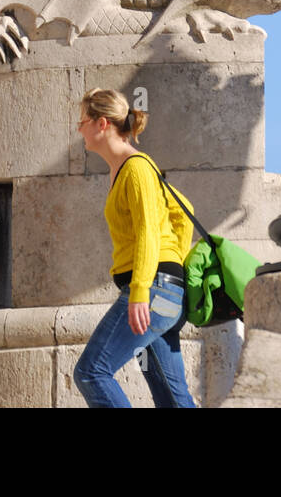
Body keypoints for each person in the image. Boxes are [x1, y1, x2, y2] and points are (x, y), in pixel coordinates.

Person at [72, 87, 196, 407]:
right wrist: (174, 270)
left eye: (82, 121)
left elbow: (147, 232)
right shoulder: (125, 168)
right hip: (163, 291)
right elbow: (185, 213)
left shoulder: (137, 168)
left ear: (102, 124)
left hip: (152, 289)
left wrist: (144, 288)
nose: (78, 129)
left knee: (91, 372)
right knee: (172, 396)